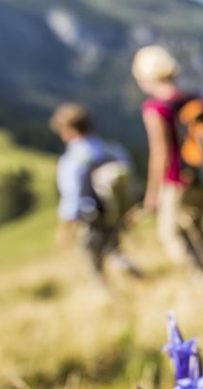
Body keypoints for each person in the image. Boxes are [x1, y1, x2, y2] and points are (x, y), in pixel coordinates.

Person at [132, 45, 203, 272]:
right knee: (196, 228)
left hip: (178, 180)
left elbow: (160, 153)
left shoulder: (156, 107)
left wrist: (152, 193)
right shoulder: (194, 98)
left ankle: (201, 281)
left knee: (171, 232)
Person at [50, 103, 143, 285]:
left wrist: (65, 228)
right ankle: (137, 280)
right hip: (116, 212)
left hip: (91, 217)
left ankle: (105, 294)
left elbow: (72, 196)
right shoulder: (114, 150)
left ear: (68, 130)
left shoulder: (72, 159)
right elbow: (130, 181)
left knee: (93, 259)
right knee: (113, 249)